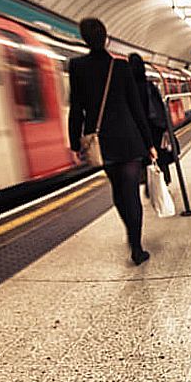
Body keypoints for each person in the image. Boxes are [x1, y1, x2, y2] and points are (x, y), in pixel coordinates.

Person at [69, 19, 156, 265]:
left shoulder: (77, 67)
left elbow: (76, 108)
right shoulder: (121, 67)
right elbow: (135, 107)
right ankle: (137, 247)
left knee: (118, 191)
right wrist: (149, 142)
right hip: (129, 139)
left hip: (102, 141)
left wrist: (75, 144)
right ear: (106, 38)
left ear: (84, 39)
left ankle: (130, 231)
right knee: (131, 193)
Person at [128, 53, 173, 187]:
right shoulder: (150, 86)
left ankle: (150, 184)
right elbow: (160, 107)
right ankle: (164, 181)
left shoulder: (129, 89)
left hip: (140, 130)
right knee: (160, 156)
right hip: (155, 127)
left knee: (146, 158)